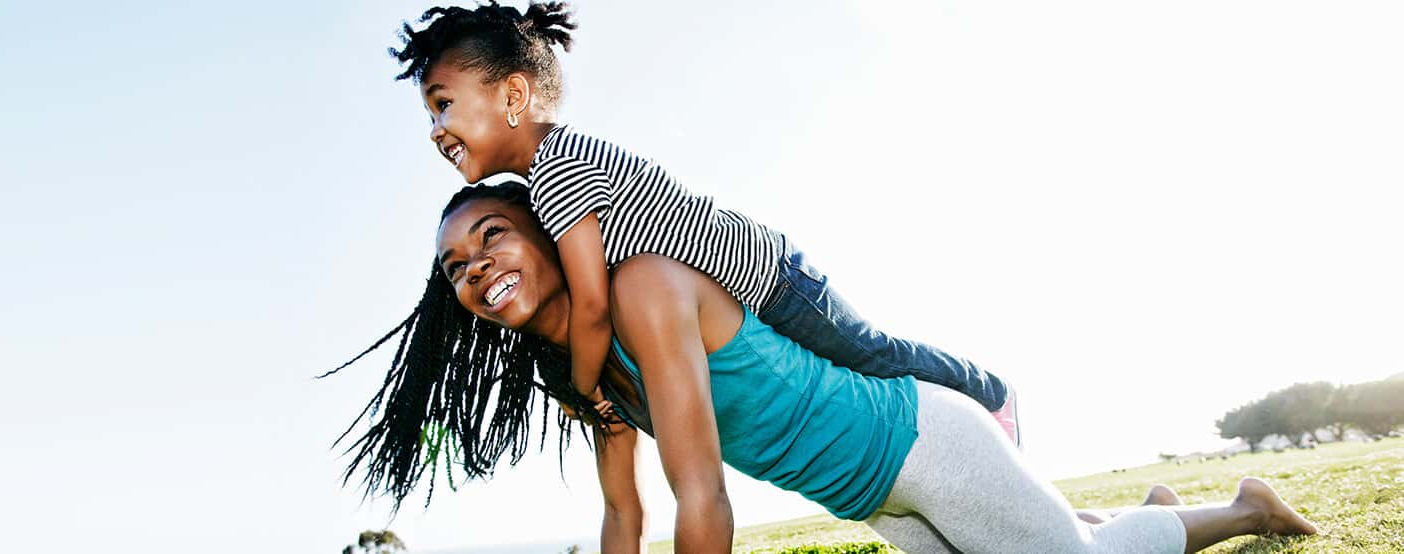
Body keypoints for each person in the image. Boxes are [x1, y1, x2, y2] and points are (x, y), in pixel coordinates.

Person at [328, 182, 1319, 553]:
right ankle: (1132, 512)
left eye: (490, 234)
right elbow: (625, 512)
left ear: (547, 231)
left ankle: (1242, 502)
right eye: (456, 266)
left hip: (917, 439)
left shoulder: (636, 287)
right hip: (875, 497)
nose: (475, 269)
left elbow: (698, 488)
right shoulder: (577, 362)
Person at [386, 1, 1019, 444]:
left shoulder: (555, 169)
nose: (436, 129)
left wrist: (583, 388)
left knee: (870, 354)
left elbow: (593, 307)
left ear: (513, 97)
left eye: (442, 105)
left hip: (771, 279)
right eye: (429, 114)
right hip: (736, 297)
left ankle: (989, 392)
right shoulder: (553, 166)